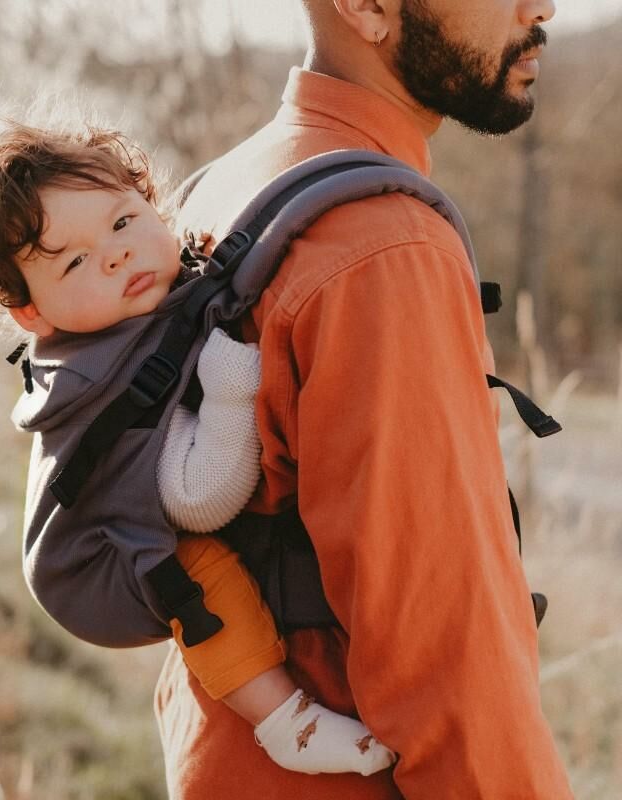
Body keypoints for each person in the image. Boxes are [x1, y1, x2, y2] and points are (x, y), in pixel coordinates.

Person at [155, 0, 576, 798]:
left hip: (222, 757)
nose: (543, 7)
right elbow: (442, 650)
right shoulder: (384, 244)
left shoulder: (222, 186)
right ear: (368, 7)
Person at [0, 119, 395, 777]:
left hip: (106, 529)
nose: (116, 255)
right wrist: (234, 377)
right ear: (30, 314)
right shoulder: (98, 373)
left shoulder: (140, 301)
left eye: (122, 223)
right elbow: (201, 497)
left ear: (153, 202)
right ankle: (287, 723)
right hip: (94, 562)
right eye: (73, 261)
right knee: (199, 569)